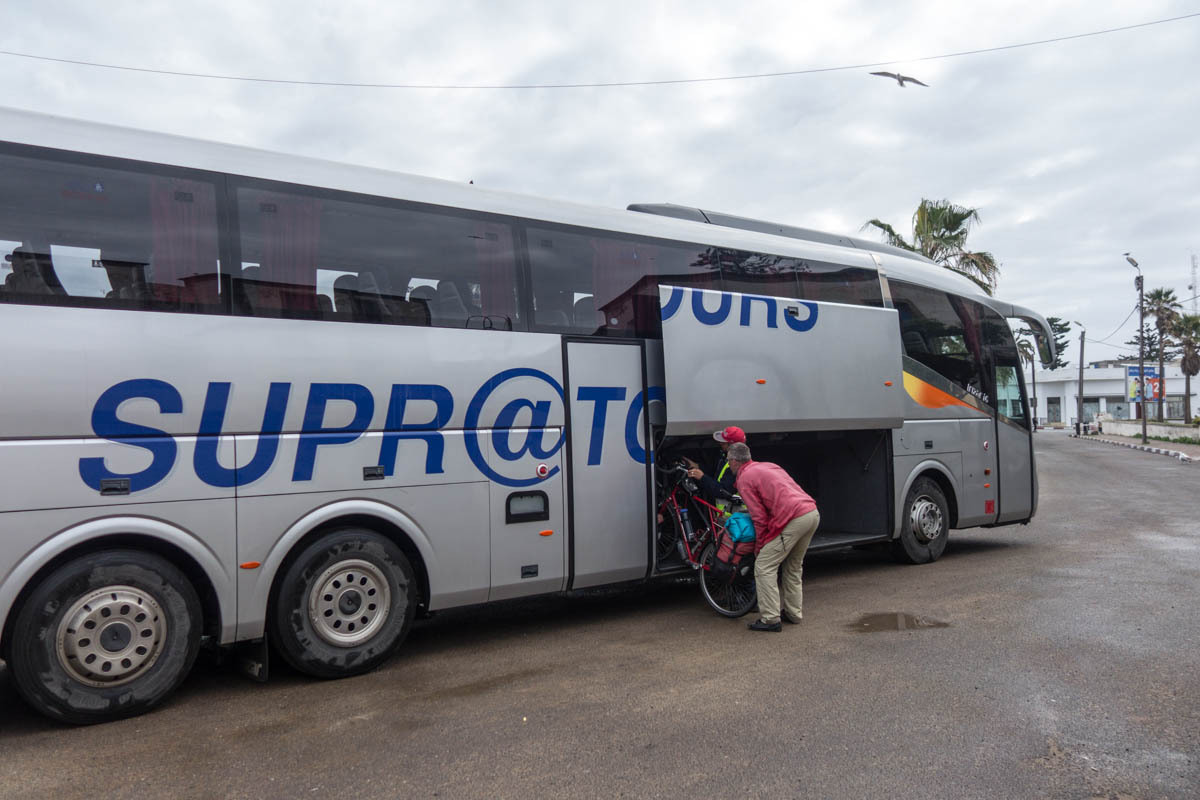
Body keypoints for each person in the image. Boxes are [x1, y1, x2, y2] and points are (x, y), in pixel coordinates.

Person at [725, 442, 820, 632]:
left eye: (728, 461)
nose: (728, 465)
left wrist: (759, 545)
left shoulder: (744, 479)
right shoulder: (768, 466)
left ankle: (770, 619)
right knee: (793, 566)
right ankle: (793, 613)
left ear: (735, 461)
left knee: (764, 566)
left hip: (793, 518)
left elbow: (759, 517)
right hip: (811, 513)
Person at [684, 425, 744, 511]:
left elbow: (722, 491)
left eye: (723, 443)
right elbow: (716, 474)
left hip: (733, 515)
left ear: (732, 445)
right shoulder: (726, 458)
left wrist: (702, 477)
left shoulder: (737, 465)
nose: (720, 444)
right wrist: (697, 466)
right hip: (725, 514)